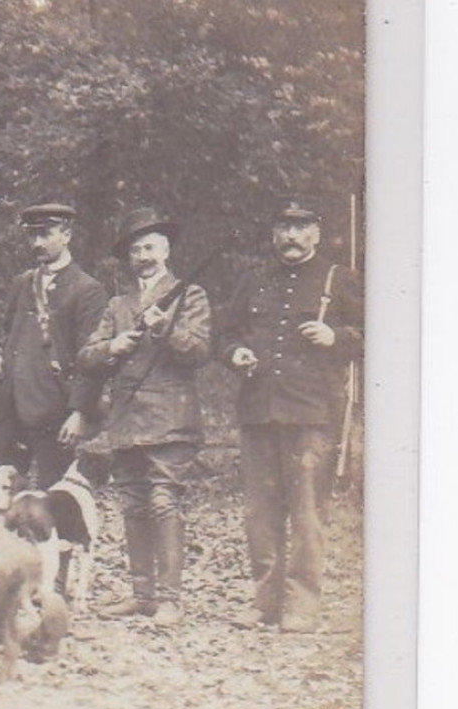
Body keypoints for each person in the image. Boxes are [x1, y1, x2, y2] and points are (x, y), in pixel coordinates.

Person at [219, 199, 362, 633]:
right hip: (259, 412)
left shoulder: (339, 279)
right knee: (260, 514)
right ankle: (265, 601)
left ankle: (302, 605)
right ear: (274, 234)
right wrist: (234, 353)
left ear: (317, 233)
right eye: (284, 228)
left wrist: (335, 335)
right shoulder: (253, 280)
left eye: (301, 228)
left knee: (306, 513)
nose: (292, 237)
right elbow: (224, 332)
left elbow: (373, 332)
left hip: (312, 416)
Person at [76, 208, 212, 628]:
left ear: (166, 249)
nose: (143, 255)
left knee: (162, 503)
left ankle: (170, 598)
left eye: (150, 246)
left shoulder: (191, 295)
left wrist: (163, 328)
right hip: (125, 419)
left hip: (170, 418)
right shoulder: (117, 304)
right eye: (135, 249)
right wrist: (113, 346)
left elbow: (200, 351)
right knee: (133, 505)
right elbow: (86, 355)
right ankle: (142, 594)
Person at [0, 202, 108, 489]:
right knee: (3, 496)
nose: (37, 243)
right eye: (32, 236)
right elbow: (4, 331)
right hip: (10, 408)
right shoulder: (22, 282)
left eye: (45, 234)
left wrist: (79, 413)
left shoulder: (87, 290)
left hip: (54, 412)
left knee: (50, 499)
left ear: (66, 235)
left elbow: (92, 360)